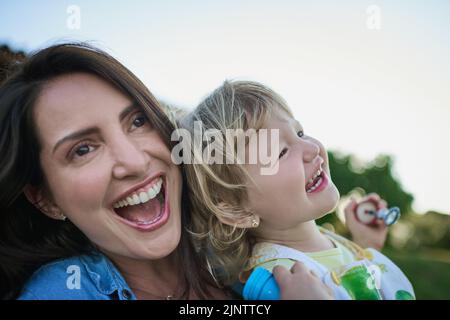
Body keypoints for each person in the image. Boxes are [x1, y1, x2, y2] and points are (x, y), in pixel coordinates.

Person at [0, 43, 332, 300]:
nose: (134, 162)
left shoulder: (250, 262)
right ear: (45, 199)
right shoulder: (64, 290)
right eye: (83, 149)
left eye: (138, 121)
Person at [180, 80, 415, 300]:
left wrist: (365, 245)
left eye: (300, 133)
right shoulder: (277, 285)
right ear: (235, 210)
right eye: (281, 152)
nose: (311, 148)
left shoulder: (330, 243)